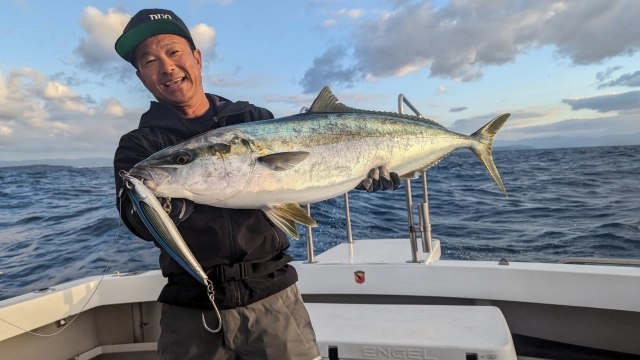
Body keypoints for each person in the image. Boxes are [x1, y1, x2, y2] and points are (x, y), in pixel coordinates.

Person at [113, 8, 400, 360]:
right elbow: (135, 218)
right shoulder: (139, 146)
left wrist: (354, 175)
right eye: (149, 61)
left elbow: (295, 177)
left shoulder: (252, 119)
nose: (166, 67)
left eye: (174, 52)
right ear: (142, 76)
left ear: (197, 58)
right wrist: (172, 205)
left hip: (273, 299)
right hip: (190, 310)